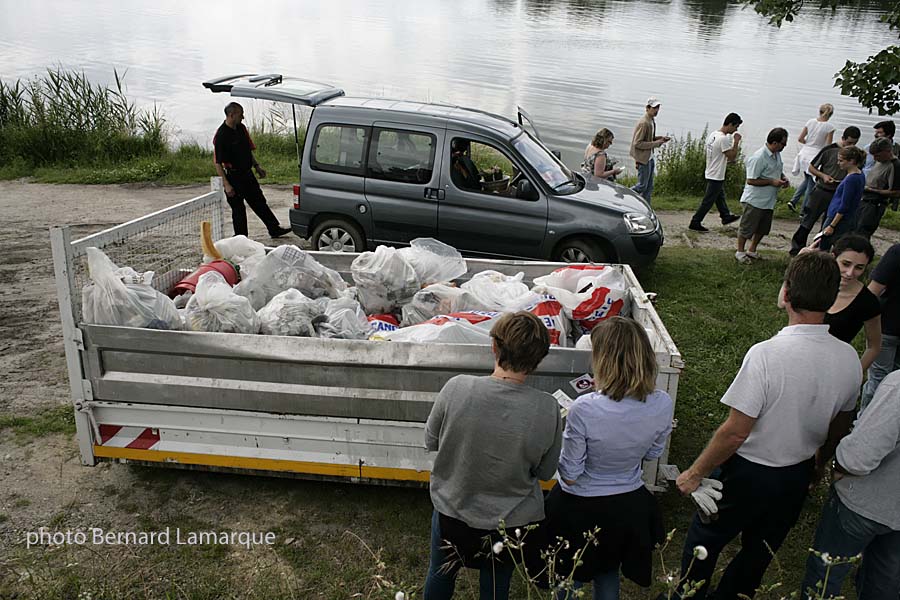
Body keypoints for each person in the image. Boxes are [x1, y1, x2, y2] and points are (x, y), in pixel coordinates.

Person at [672, 251, 861, 600]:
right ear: (833, 300)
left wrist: (695, 473)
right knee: (760, 549)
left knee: (706, 537)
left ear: (786, 293)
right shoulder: (849, 358)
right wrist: (818, 464)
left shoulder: (767, 354)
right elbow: (840, 423)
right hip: (796, 473)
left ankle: (688, 594)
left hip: (748, 472)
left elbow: (736, 431)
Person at [423, 311, 563, 600]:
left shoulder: (456, 387)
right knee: (497, 580)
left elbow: (431, 440)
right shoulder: (548, 408)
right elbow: (547, 472)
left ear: (495, 347)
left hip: (453, 511)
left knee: (441, 571)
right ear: (539, 359)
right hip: (510, 522)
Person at [540, 317, 672, 600]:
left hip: (580, 504)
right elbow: (652, 454)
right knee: (607, 569)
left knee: (568, 574)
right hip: (627, 503)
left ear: (603, 360)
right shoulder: (662, 402)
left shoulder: (584, 408)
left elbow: (571, 474)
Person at [800, 369, 900, 599]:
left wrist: (837, 466)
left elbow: (860, 455)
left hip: (864, 504)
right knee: (886, 582)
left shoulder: (898, 387)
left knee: (826, 575)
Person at [213, 102, 292, 239]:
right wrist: (226, 185)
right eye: (240, 114)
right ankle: (241, 238)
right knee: (238, 210)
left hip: (247, 173)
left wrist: (257, 166)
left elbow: (248, 150)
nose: (243, 117)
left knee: (259, 201)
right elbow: (218, 163)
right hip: (233, 176)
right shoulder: (221, 135)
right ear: (231, 115)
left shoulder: (241, 128)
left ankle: (274, 228)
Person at [789, 126, 861, 255]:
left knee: (827, 225)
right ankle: (796, 249)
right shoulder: (829, 150)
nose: (851, 145)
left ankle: (822, 251)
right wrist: (823, 176)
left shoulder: (854, 156)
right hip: (822, 191)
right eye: (849, 142)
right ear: (843, 138)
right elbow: (811, 167)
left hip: (839, 193)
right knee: (808, 220)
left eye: (854, 143)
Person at [818, 235, 881, 371]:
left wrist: (855, 374)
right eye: (845, 264)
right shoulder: (816, 281)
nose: (850, 273)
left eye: (859, 267)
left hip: (833, 368)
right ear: (833, 257)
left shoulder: (867, 302)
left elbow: (874, 346)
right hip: (798, 358)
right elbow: (782, 303)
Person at [735, 128, 790, 264]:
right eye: (783, 143)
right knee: (747, 228)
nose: (785, 146)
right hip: (755, 200)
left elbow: (777, 170)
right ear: (775, 143)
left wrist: (783, 178)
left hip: (768, 201)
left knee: (763, 228)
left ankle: (752, 250)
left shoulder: (776, 154)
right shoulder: (758, 157)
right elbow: (751, 180)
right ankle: (740, 252)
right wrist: (772, 181)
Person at [861, 243, 900, 413]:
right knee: (896, 383)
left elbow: (872, 292)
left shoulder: (897, 252)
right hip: (889, 330)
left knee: (878, 378)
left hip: (887, 327)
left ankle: (863, 423)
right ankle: (887, 426)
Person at [688, 113, 743, 232]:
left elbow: (716, 154)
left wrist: (724, 162)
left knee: (719, 196)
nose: (735, 130)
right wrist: (736, 142)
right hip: (716, 174)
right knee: (708, 201)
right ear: (730, 124)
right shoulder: (723, 139)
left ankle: (725, 216)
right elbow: (732, 156)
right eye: (736, 127)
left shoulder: (713, 135)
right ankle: (695, 221)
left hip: (711, 170)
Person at [814, 145, 867, 252]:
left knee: (823, 244)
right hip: (849, 217)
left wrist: (832, 225)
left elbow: (845, 204)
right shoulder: (860, 175)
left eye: (841, 161)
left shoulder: (851, 179)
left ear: (851, 161)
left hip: (837, 217)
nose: (838, 163)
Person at [787, 103, 836, 213]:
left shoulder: (810, 122)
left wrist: (809, 144)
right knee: (811, 185)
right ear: (831, 114)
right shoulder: (830, 128)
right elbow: (828, 146)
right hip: (815, 157)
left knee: (807, 179)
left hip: (803, 154)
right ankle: (804, 211)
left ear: (819, 111)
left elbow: (800, 139)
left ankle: (793, 201)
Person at [854, 137, 900, 239]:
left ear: (887, 151)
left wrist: (872, 190)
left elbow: (896, 192)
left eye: (877, 155)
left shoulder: (894, 165)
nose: (875, 158)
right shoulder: (880, 161)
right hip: (863, 200)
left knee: (861, 233)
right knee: (853, 228)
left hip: (874, 204)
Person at [630, 97, 671, 204]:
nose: (656, 110)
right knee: (642, 186)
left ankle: (646, 207)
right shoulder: (644, 123)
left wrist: (660, 138)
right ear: (647, 108)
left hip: (649, 157)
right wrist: (657, 143)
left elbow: (648, 139)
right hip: (643, 159)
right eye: (654, 108)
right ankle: (625, 195)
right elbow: (637, 143)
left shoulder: (651, 121)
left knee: (649, 186)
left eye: (657, 107)